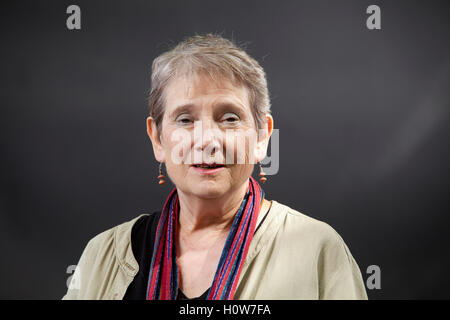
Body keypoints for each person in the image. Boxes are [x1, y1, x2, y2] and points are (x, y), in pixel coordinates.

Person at [62, 33, 368, 300]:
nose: (207, 140)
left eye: (229, 118)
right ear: (158, 138)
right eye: (185, 119)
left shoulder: (317, 250)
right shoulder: (102, 255)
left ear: (262, 137)